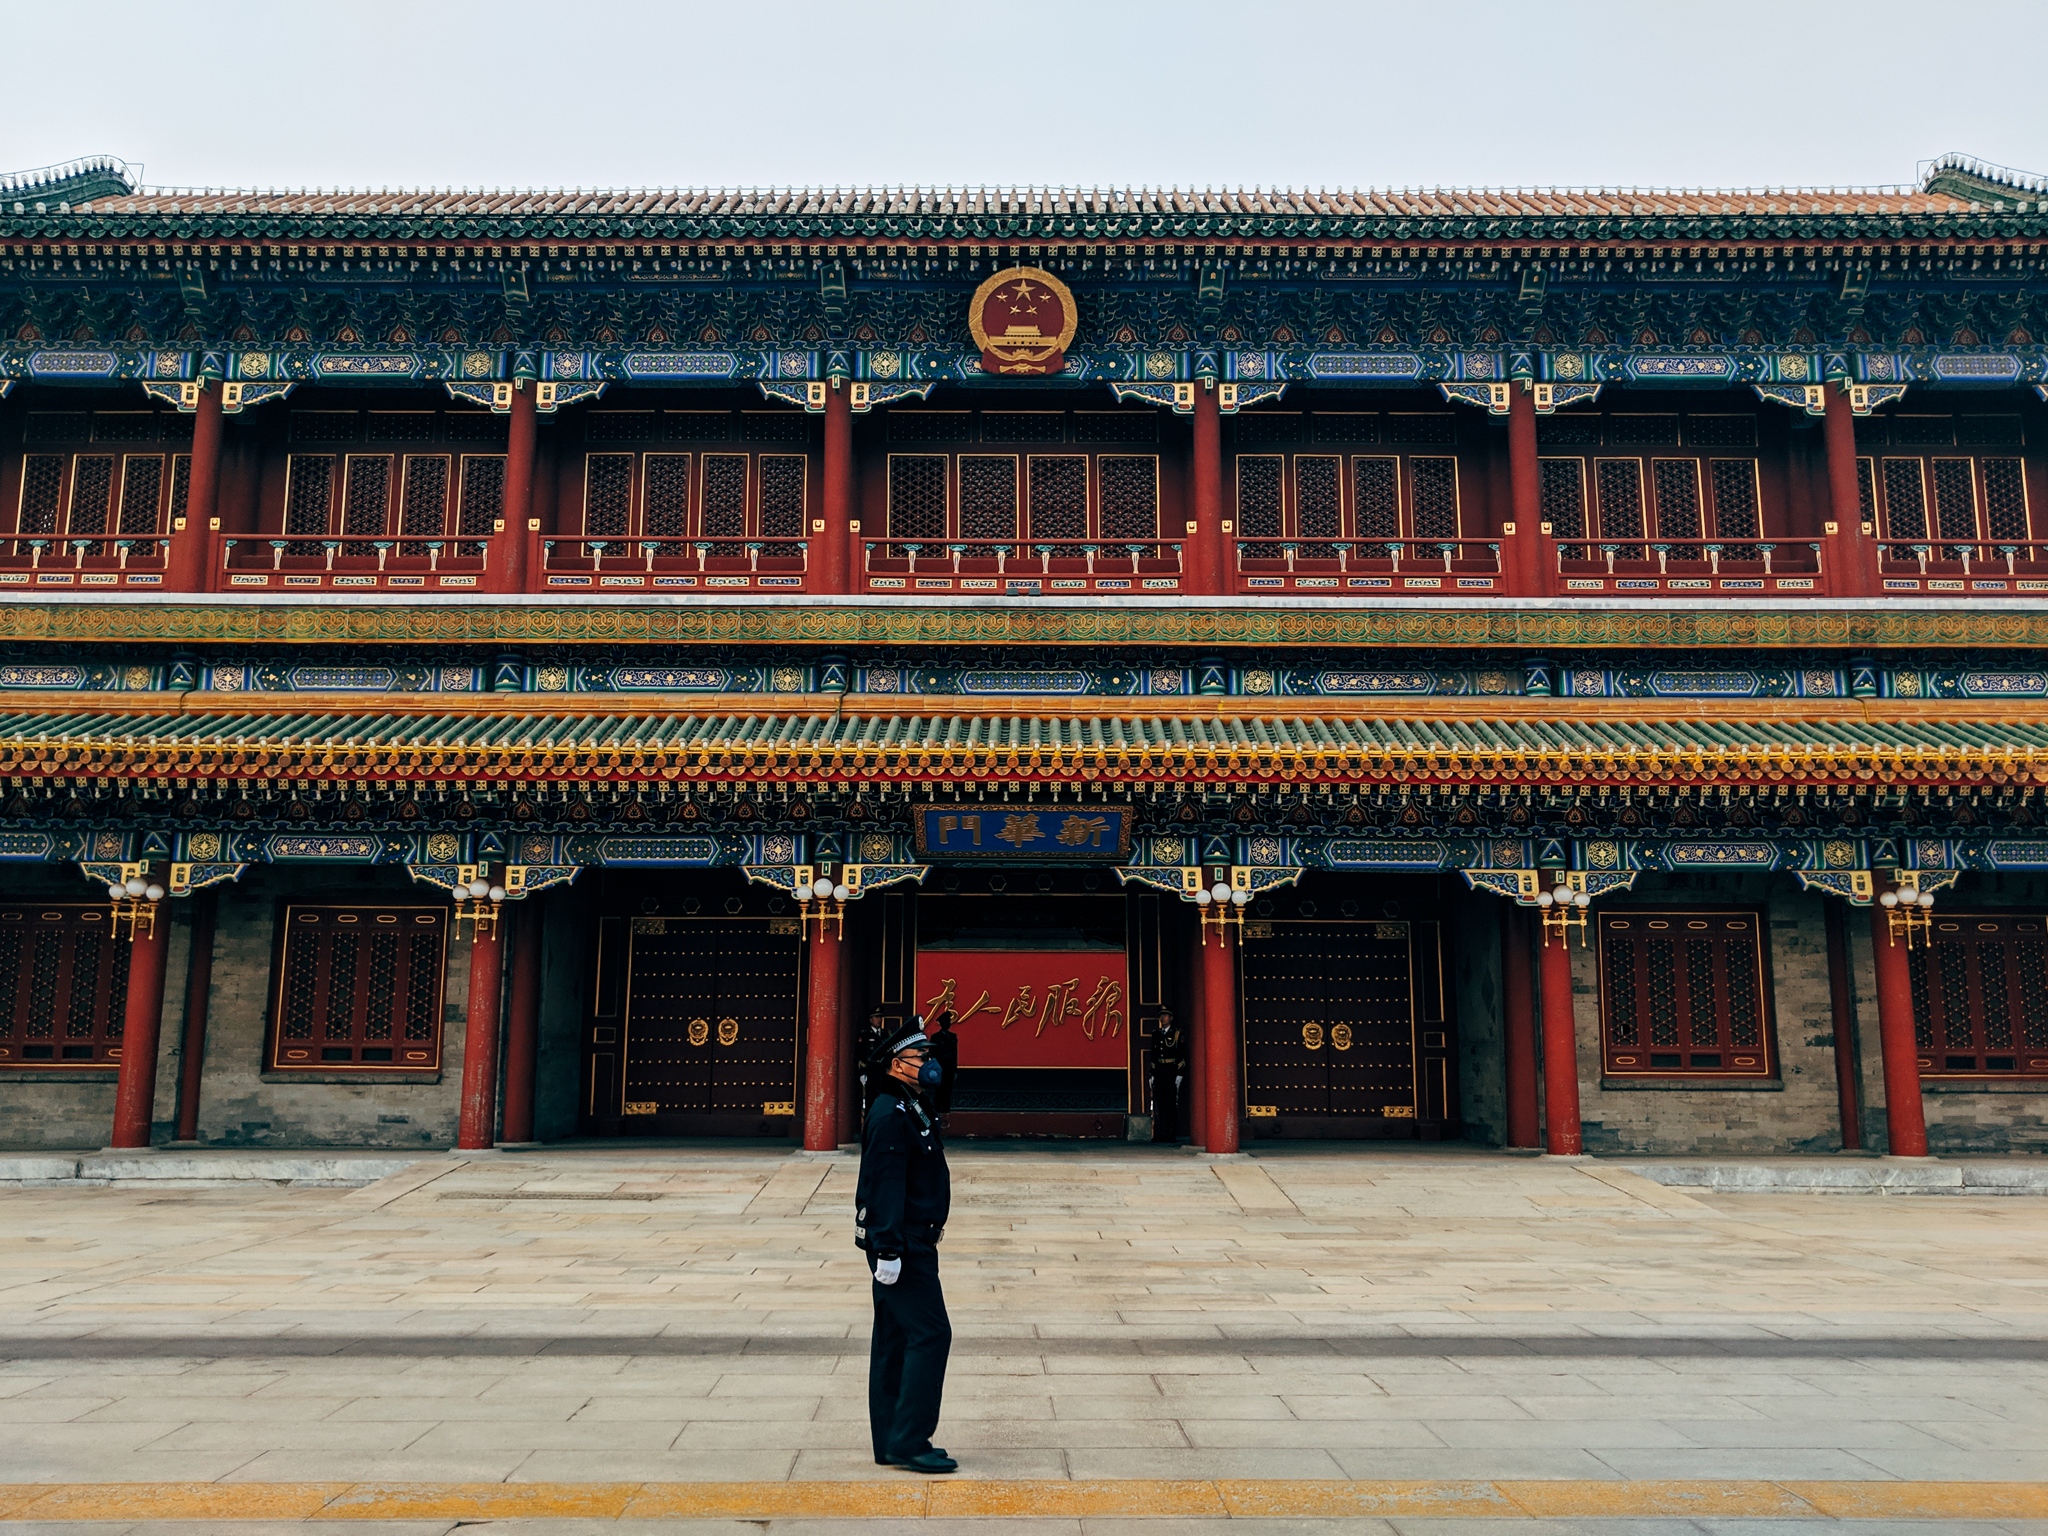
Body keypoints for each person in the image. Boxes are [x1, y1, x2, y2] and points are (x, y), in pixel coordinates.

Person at [854, 1018, 955, 1474]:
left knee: (895, 1339)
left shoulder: (909, 1105)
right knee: (931, 1334)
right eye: (922, 1058)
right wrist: (889, 1249)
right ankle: (911, 1439)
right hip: (905, 1245)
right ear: (898, 1065)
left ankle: (891, 1439)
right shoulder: (891, 1113)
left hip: (908, 1240)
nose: (930, 1065)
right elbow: (885, 1184)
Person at [1150, 1009, 1185, 1144]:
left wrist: (1180, 1074)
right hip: (1159, 1071)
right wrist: (1152, 1073)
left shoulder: (1177, 1034)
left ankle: (1171, 1132)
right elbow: (1153, 1054)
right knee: (1161, 1102)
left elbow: (1181, 1054)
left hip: (1171, 1071)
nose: (1163, 1018)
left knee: (1171, 1103)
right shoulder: (1156, 1034)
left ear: (1171, 1018)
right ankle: (1163, 1131)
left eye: (1165, 1016)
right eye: (1161, 1016)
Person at [927, 1009, 959, 1116]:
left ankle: (946, 1116)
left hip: (949, 1070)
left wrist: (955, 1070)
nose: (948, 1024)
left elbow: (955, 1055)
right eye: (946, 1022)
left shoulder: (953, 1037)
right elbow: (932, 1054)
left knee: (947, 1094)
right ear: (942, 1023)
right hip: (939, 1070)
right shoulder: (935, 1037)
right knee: (939, 1094)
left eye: (949, 1022)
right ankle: (937, 1116)